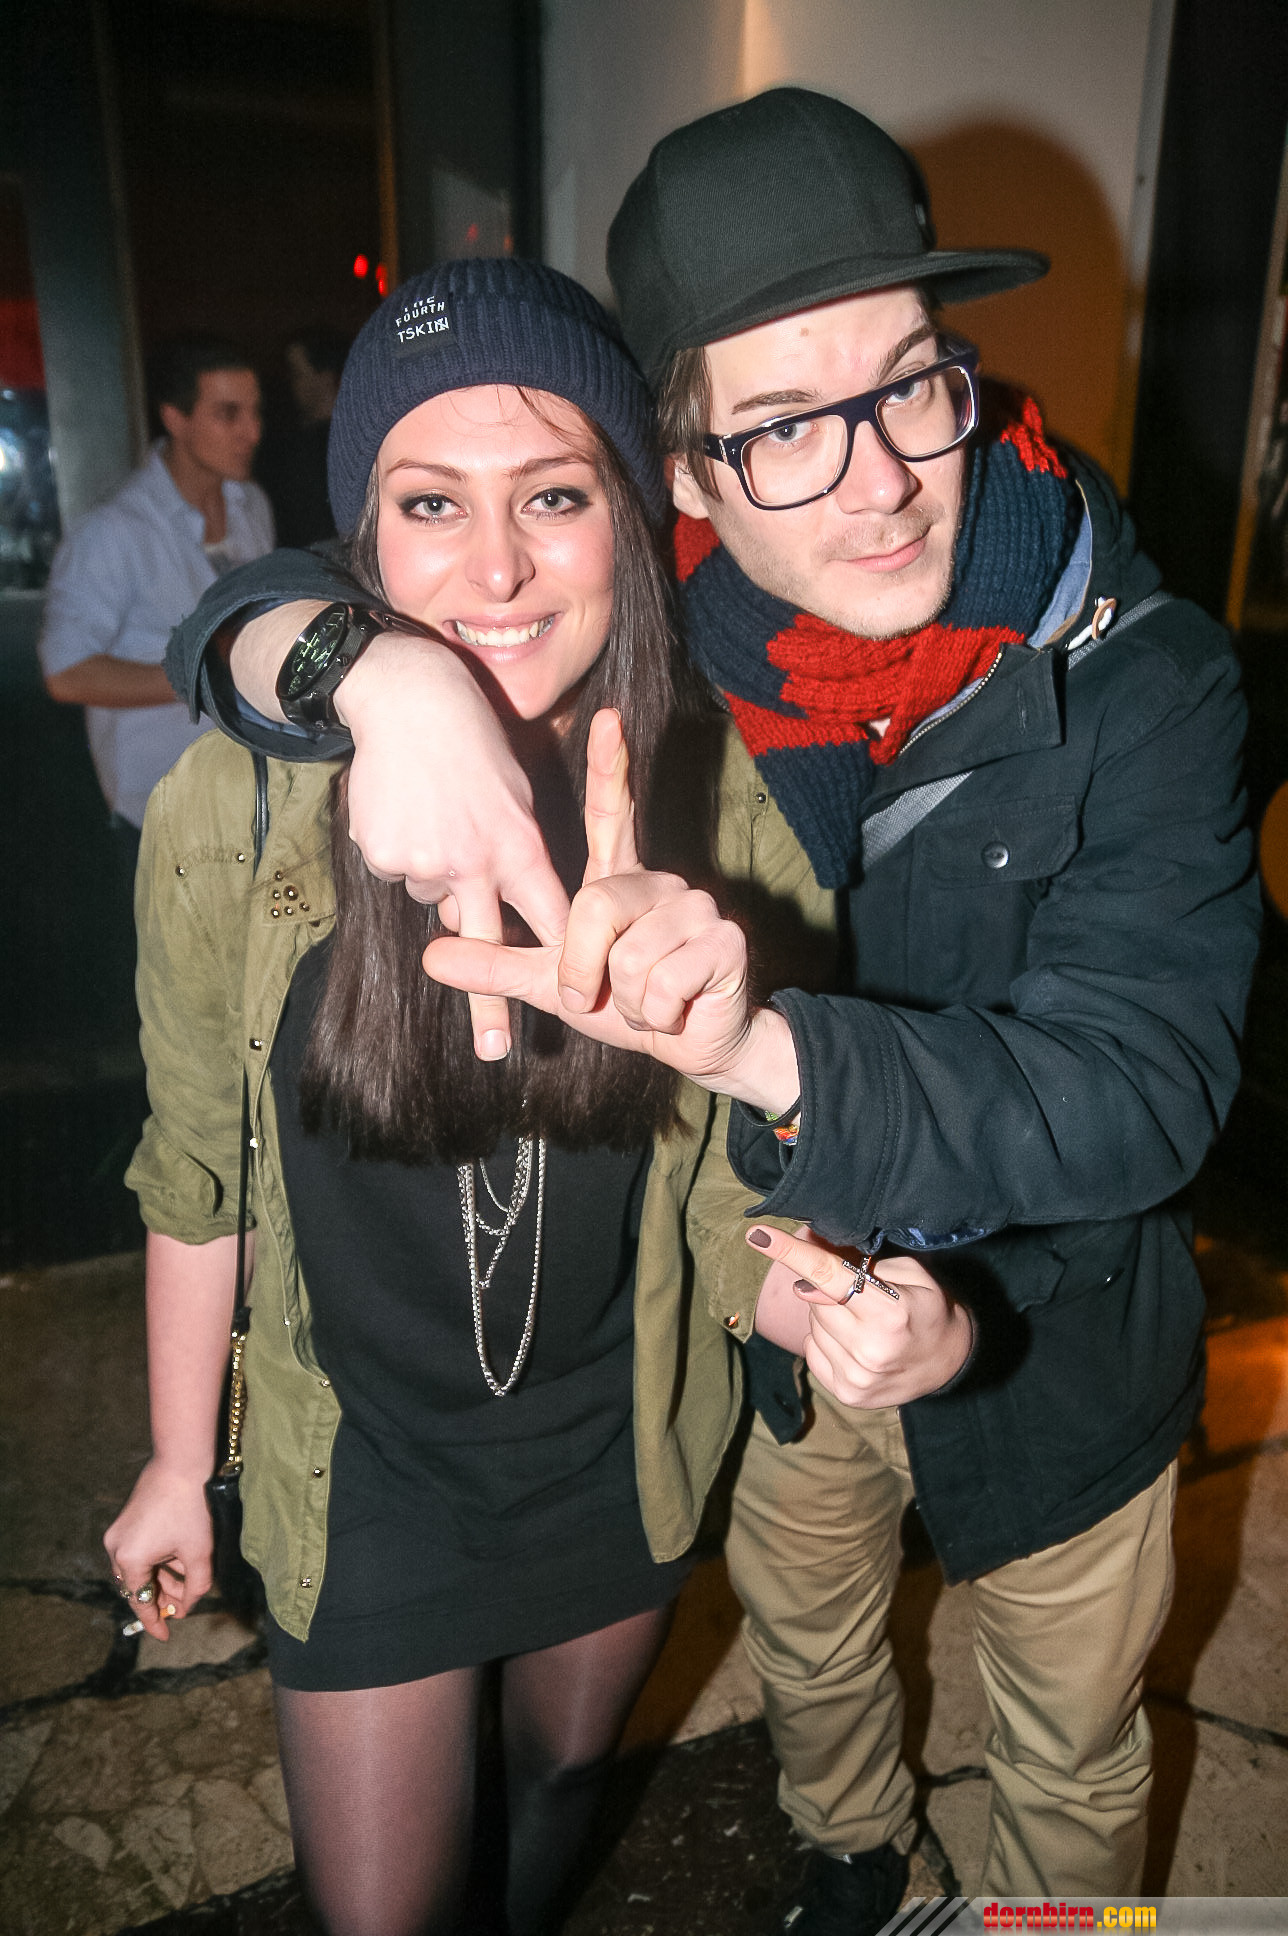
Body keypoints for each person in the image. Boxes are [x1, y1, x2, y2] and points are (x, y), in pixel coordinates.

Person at [164, 90, 1259, 1931]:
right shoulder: (672, 655)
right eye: (783, 427)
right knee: (814, 1665)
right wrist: (375, 672)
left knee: (1071, 1756)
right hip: (766, 1320)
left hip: (1054, 1329)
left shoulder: (1140, 677)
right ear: (680, 476)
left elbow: (1143, 1088)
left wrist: (761, 1049)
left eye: (910, 385)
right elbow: (320, 578)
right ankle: (849, 1863)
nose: (879, 480)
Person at [103, 259, 796, 1936]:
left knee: (558, 1791)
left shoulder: (725, 798)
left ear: (626, 520)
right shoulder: (226, 815)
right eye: (431, 504)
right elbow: (196, 1176)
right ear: (365, 536)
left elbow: (746, 1172)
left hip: (615, 1444)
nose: (495, 567)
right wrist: (179, 1464)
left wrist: (837, 1288)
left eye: (554, 496)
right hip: (367, 1474)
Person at [39, 336, 272, 865]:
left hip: (254, 795)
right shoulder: (113, 531)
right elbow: (66, 674)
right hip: (163, 814)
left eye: (255, 411)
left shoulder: (250, 505)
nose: (253, 432)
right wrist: (207, 675)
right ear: (175, 418)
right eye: (229, 414)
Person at [258, 325, 350, 548]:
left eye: (297, 373)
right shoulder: (289, 443)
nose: (290, 382)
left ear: (325, 377)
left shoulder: (301, 451)